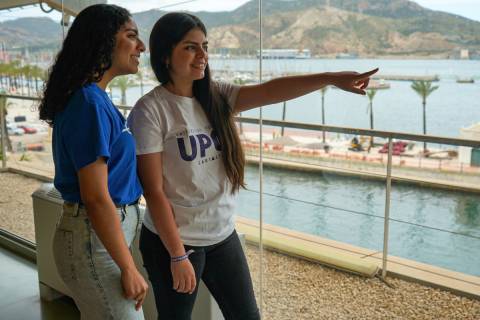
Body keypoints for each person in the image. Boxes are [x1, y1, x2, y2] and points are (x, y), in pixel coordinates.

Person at [128, 12, 377, 320]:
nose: (203, 55)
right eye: (190, 47)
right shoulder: (150, 111)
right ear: (166, 55)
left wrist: (329, 78)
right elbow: (153, 191)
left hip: (221, 236)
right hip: (172, 243)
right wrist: (178, 254)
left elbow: (271, 91)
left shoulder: (216, 95)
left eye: (204, 45)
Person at [38, 4, 148, 319]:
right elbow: (96, 197)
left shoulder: (93, 99)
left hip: (97, 236)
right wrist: (128, 266)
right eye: (131, 36)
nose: (141, 47)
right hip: (93, 239)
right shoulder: (89, 103)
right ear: (102, 42)